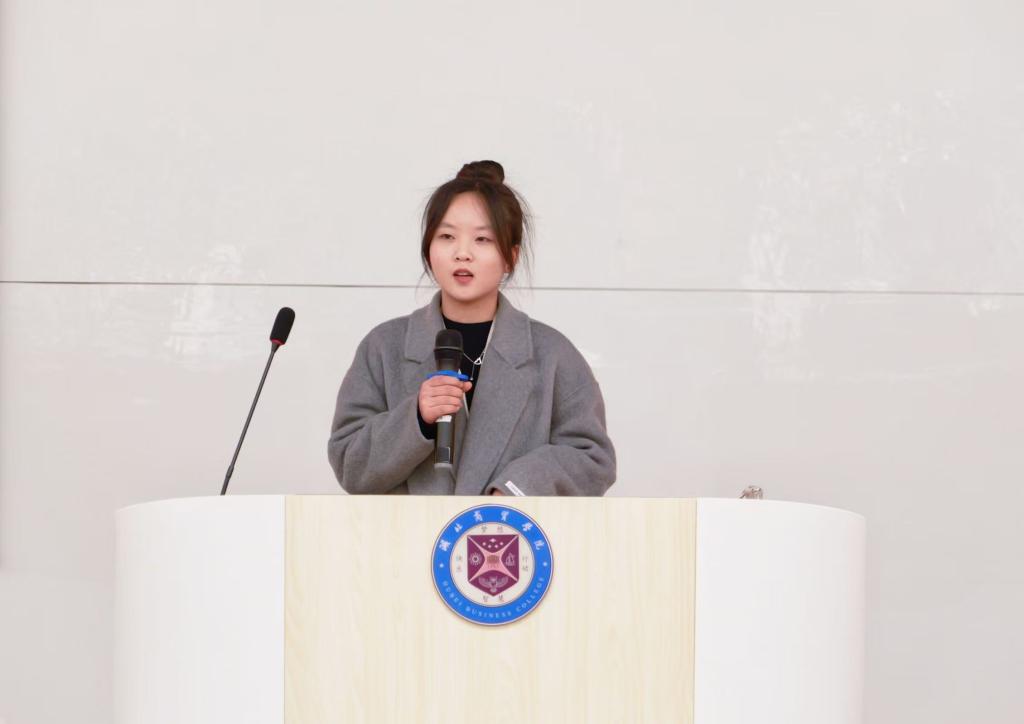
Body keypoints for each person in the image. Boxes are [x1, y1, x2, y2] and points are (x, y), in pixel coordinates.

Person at [328, 160, 616, 496]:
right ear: (428, 250)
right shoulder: (383, 347)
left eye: (482, 239)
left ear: (510, 257)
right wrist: (416, 418)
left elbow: (593, 458)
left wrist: (516, 488)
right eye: (447, 236)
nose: (462, 253)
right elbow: (348, 463)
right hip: (406, 531)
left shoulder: (552, 354)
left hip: (505, 529)